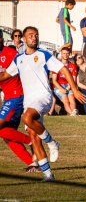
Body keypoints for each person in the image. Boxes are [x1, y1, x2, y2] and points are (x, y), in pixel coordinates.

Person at [0, 26, 86, 182]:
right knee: (34, 137)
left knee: (26, 118)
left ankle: (53, 143)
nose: (34, 37)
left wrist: (75, 89)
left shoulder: (43, 55)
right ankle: (48, 176)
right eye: (31, 35)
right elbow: (6, 74)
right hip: (29, 101)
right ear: (24, 40)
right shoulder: (18, 59)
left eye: (36, 35)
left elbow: (64, 70)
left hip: (43, 97)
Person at [0, 29, 39, 172]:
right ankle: (33, 163)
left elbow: (25, 66)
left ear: (1, 39)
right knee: (6, 133)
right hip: (8, 98)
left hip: (17, 96)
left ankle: (30, 141)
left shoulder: (10, 53)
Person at [52, 47, 78, 116]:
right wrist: (61, 89)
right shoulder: (56, 65)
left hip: (69, 85)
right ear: (61, 54)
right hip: (59, 86)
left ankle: (73, 114)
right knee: (66, 101)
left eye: (67, 53)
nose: (65, 55)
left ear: (69, 54)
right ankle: (73, 114)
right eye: (64, 53)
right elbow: (54, 81)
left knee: (72, 99)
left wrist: (69, 87)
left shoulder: (73, 66)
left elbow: (74, 80)